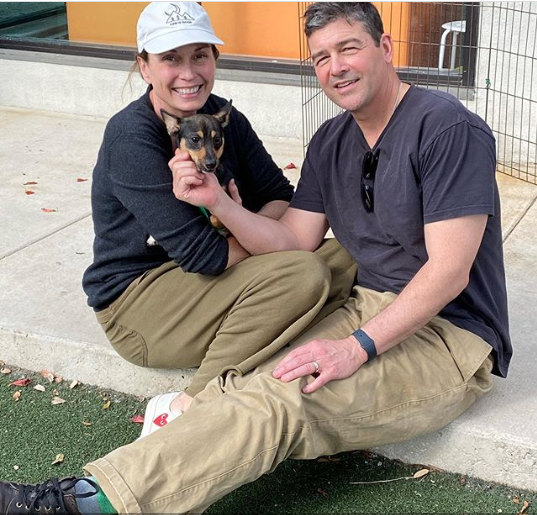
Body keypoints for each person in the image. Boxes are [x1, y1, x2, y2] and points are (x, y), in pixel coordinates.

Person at [0, 3, 511, 514]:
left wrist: (355, 348)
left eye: (349, 48)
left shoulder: (446, 128)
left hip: (448, 335)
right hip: (342, 304)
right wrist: (218, 202)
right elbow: (293, 239)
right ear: (144, 66)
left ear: (385, 48)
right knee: (252, 378)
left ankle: (81, 504)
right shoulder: (330, 141)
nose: (336, 67)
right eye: (321, 57)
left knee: (281, 401)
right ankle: (146, 454)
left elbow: (449, 271)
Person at [80, 0, 356, 432]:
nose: (189, 74)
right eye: (171, 58)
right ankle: (189, 408)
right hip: (140, 302)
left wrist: (243, 219)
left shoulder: (224, 117)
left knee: (347, 254)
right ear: (145, 67)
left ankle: (284, 344)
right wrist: (269, 236)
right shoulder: (131, 138)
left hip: (216, 280)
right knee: (302, 273)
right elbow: (205, 257)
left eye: (200, 55)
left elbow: (280, 195)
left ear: (215, 59)